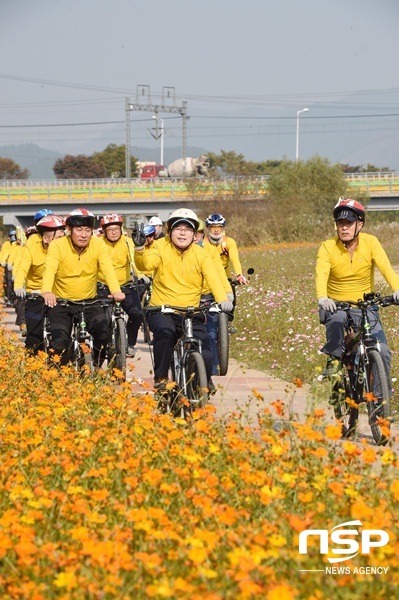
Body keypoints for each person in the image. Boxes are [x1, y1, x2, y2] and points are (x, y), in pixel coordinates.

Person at [133, 208, 233, 392]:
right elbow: (146, 264)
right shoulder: (160, 246)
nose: (182, 233)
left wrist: (222, 299)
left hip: (191, 311)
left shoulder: (200, 254)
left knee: (205, 345)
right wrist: (139, 249)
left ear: (194, 235)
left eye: (187, 229)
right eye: (178, 228)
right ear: (169, 231)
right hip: (162, 309)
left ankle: (204, 379)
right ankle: (161, 377)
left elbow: (213, 278)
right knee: (165, 332)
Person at [316, 197, 399, 392]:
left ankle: (380, 405)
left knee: (383, 351)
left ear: (359, 224)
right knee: (337, 319)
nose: (344, 228)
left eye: (349, 223)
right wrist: (322, 297)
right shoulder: (327, 247)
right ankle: (335, 361)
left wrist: (396, 289)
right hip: (335, 304)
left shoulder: (371, 243)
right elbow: (322, 273)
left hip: (365, 305)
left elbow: (386, 269)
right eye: (340, 223)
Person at [41, 208, 125, 367]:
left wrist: (115, 290)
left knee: (102, 332)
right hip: (62, 302)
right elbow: (49, 270)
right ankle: (55, 377)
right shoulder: (57, 245)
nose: (84, 234)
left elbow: (108, 269)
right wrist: (46, 291)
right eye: (79, 230)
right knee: (59, 342)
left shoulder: (98, 245)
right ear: (68, 230)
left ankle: (96, 364)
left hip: (89, 301)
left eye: (87, 230)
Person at [13, 215, 66, 353]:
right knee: (34, 338)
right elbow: (22, 269)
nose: (62, 242)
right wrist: (18, 285)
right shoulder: (32, 248)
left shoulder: (67, 249)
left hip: (58, 293)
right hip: (36, 292)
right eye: (58, 238)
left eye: (63, 237)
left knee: (63, 335)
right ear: (45, 238)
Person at [97, 213, 143, 358]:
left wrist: (140, 275)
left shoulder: (128, 242)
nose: (113, 232)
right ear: (104, 231)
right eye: (110, 229)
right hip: (103, 286)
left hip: (125, 285)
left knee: (137, 314)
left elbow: (134, 261)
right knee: (100, 322)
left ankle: (129, 344)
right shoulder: (97, 243)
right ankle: (100, 351)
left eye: (116, 229)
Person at [194, 219, 234, 375]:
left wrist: (227, 294)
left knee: (211, 333)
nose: (196, 237)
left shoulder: (210, 251)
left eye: (198, 234)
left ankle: (211, 369)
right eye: (193, 233)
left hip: (208, 296)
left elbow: (219, 273)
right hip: (186, 299)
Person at [204, 213, 248, 283]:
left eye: (219, 227)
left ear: (222, 228)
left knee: (229, 293)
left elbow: (235, 259)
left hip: (225, 277)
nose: (216, 230)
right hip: (207, 277)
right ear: (208, 228)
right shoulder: (203, 243)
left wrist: (239, 275)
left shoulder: (229, 242)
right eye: (213, 227)